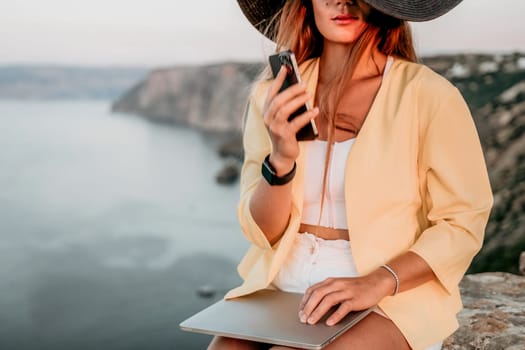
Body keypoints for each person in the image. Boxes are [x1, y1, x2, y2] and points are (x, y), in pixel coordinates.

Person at [209, 0, 493, 349]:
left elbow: (463, 222)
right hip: (280, 283)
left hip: (388, 293)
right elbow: (263, 233)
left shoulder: (429, 95)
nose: (341, 2)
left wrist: (378, 281)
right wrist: (281, 159)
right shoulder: (273, 96)